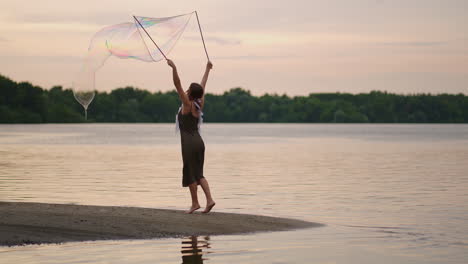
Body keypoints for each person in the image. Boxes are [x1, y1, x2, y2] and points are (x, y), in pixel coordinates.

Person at [167, 59, 215, 214]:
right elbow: (203, 85)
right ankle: (209, 200)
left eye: (188, 89)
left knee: (190, 172)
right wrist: (207, 69)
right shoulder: (199, 104)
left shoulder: (187, 105)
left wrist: (174, 67)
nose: (185, 90)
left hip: (189, 143)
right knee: (199, 173)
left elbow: (177, 84)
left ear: (190, 93)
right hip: (199, 142)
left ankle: (195, 203)